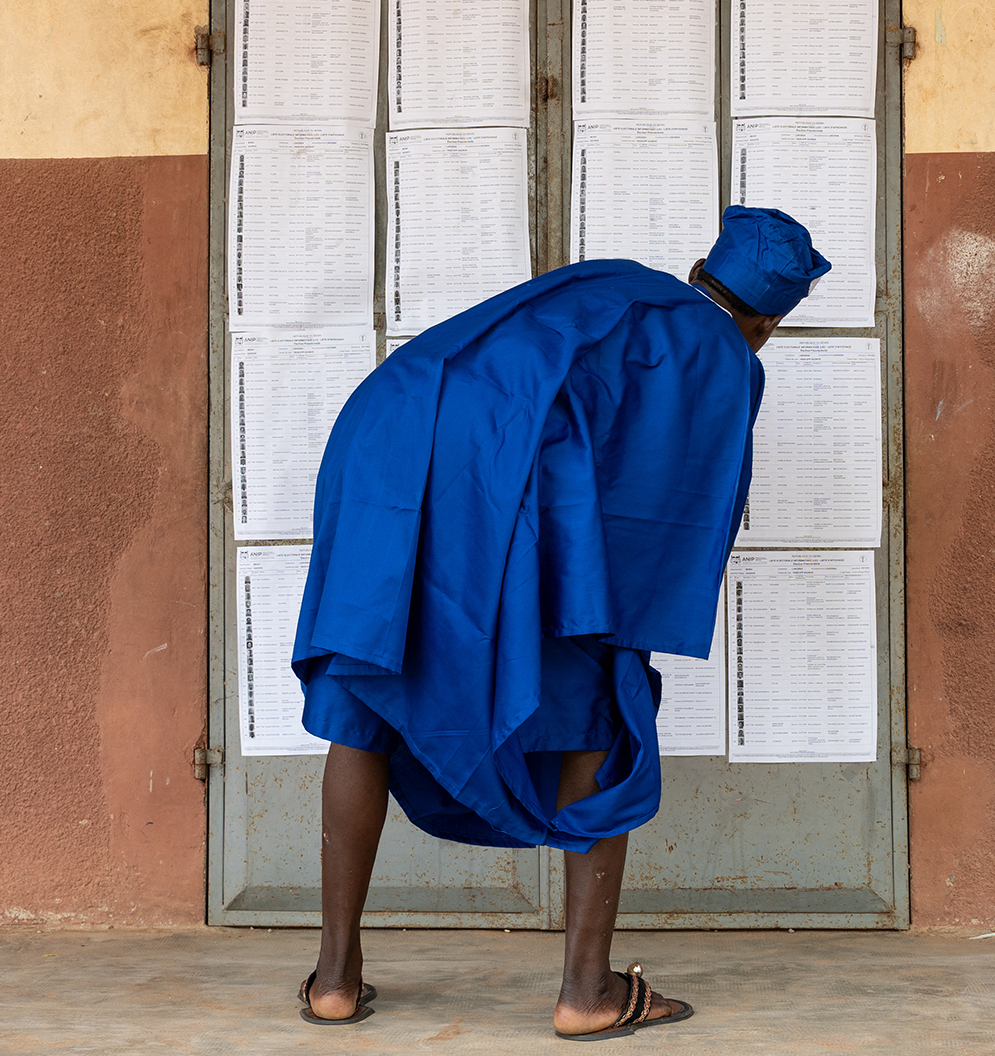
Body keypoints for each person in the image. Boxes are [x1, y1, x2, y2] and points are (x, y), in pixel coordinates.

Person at [290, 206, 830, 1039]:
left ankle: (333, 979)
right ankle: (588, 992)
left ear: (697, 267)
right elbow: (663, 518)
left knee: (368, 686)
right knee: (600, 711)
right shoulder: (722, 354)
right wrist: (608, 624)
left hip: (391, 431)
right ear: (769, 321)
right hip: (501, 468)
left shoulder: (613, 281)